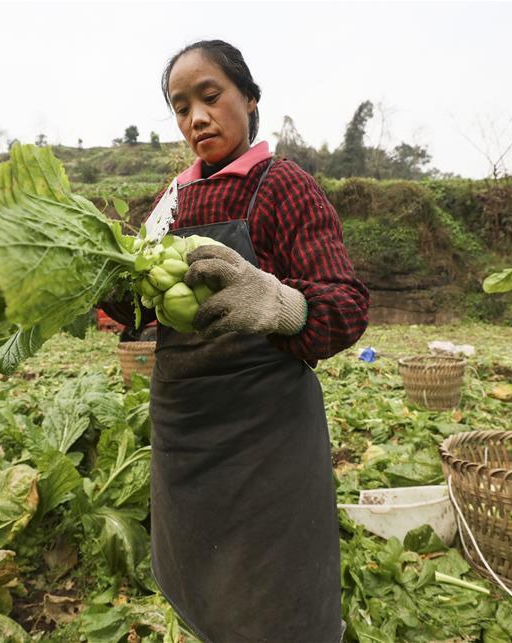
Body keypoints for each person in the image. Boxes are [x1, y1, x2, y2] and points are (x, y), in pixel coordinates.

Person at [103, 40, 369, 642]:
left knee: (274, 595)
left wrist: (278, 302)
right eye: (179, 106)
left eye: (210, 96)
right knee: (205, 585)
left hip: (264, 436)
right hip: (186, 429)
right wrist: (92, 281)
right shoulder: (170, 203)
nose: (196, 117)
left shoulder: (282, 186)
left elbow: (346, 306)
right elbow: (142, 305)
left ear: (249, 100)